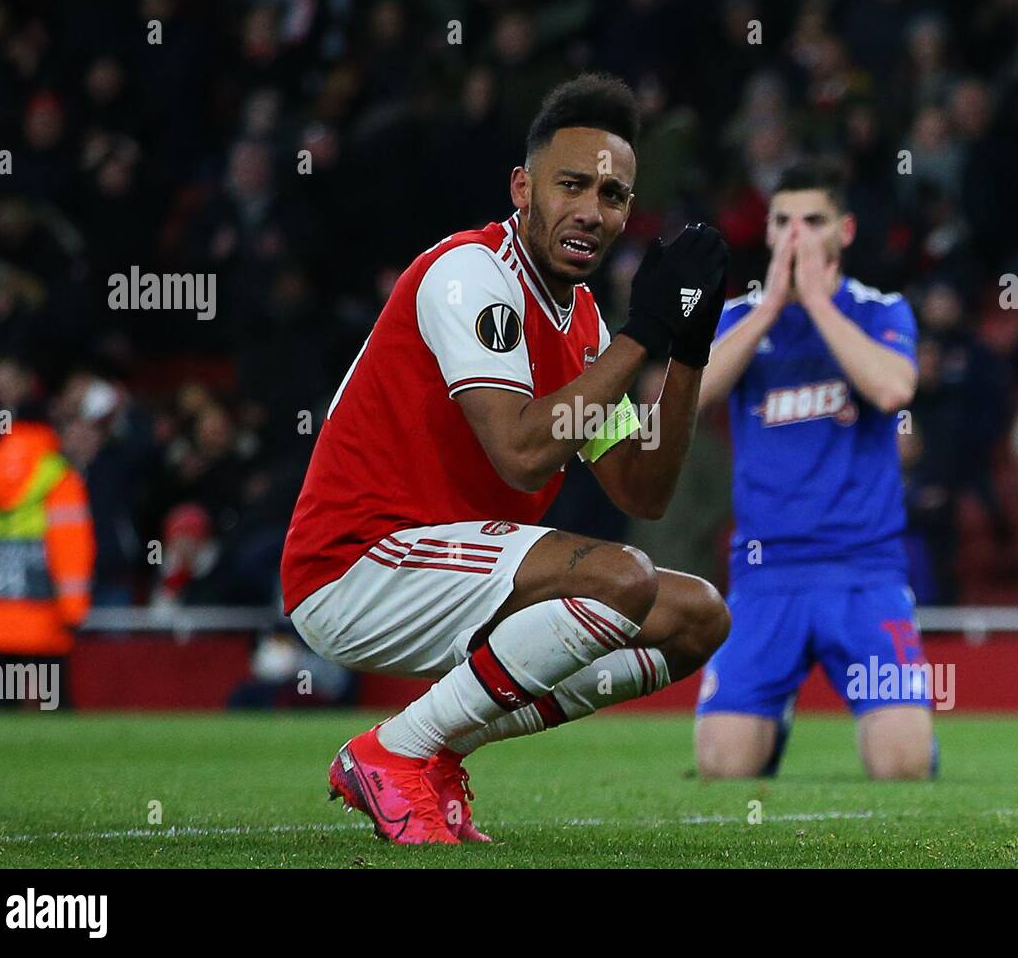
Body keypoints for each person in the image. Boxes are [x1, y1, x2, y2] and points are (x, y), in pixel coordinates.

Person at [281, 74, 732, 845]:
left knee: (696, 619)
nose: (593, 209)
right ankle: (394, 749)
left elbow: (643, 487)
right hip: (356, 562)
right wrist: (643, 333)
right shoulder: (471, 275)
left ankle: (438, 747)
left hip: (450, 568)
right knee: (621, 578)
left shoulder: (582, 321)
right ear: (523, 187)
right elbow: (523, 454)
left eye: (616, 194)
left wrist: (687, 349)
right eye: (573, 184)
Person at [694, 159, 937, 780]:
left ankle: (908, 738)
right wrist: (774, 306)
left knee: (902, 767)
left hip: (865, 570)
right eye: (783, 221)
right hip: (764, 572)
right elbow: (690, 398)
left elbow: (891, 389)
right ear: (769, 234)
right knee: (723, 767)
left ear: (845, 231)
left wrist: (818, 306)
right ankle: (768, 727)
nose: (796, 234)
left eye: (813, 220)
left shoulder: (880, 309)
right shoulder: (737, 317)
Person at [0, 404, 95, 710]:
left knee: (3, 710)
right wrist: (74, 611)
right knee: (54, 707)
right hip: (45, 616)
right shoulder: (58, 476)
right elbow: (71, 549)